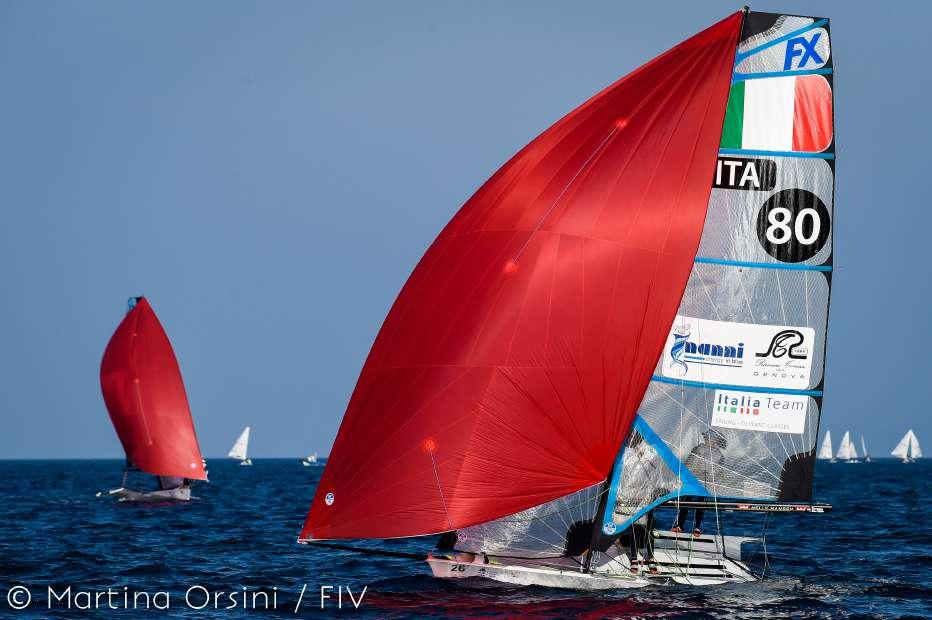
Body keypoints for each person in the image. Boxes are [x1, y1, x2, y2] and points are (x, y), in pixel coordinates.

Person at [671, 430, 727, 537]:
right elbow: (688, 461)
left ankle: (697, 527)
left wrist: (715, 482)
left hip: (705, 480)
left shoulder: (719, 455)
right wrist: (682, 475)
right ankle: (680, 526)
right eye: (706, 438)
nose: (707, 440)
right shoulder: (698, 448)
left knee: (700, 504)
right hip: (692, 478)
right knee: (686, 502)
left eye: (709, 438)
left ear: (715, 440)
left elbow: (720, 471)